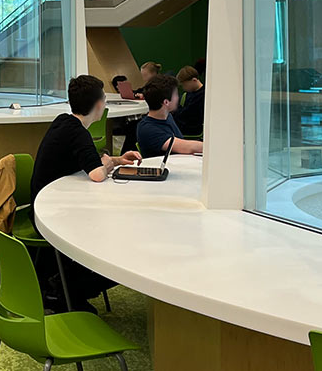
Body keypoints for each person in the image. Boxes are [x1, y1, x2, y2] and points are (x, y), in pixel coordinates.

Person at [30, 74, 140, 309]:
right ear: (100, 105)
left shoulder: (64, 122)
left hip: (42, 204)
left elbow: (90, 160)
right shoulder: (78, 133)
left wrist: (119, 160)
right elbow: (97, 174)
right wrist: (110, 164)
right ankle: (64, 291)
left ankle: (65, 287)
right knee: (112, 246)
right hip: (52, 215)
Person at [136, 74, 203, 157]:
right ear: (166, 102)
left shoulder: (168, 116)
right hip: (167, 169)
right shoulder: (147, 129)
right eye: (175, 94)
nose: (178, 98)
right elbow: (185, 147)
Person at [176, 65, 206, 138]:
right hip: (186, 123)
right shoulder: (189, 93)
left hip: (194, 128)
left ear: (194, 80)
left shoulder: (203, 95)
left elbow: (188, 114)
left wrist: (175, 111)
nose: (183, 88)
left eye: (185, 85)